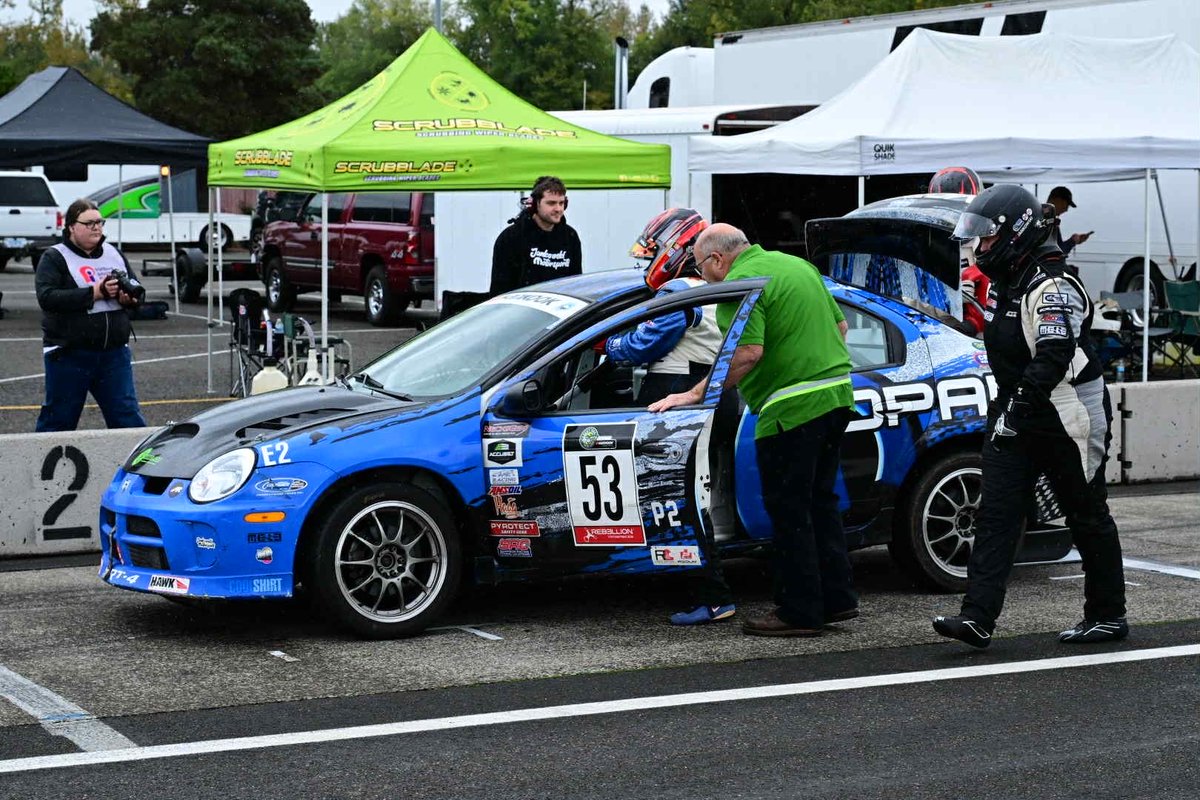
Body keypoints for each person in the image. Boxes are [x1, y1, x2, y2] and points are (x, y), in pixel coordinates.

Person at [934, 184, 1127, 649]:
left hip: (1068, 411)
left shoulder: (1052, 283)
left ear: (1016, 232)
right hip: (1018, 406)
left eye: (986, 238)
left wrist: (1016, 411)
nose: (979, 248)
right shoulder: (1011, 279)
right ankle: (976, 617)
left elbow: (1055, 353)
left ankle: (1108, 614)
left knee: (1085, 512)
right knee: (997, 512)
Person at [650, 224, 858, 638]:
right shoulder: (796, 266)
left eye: (698, 264)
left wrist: (694, 393)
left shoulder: (739, 286)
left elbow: (747, 353)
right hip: (837, 397)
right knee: (821, 503)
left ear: (716, 260)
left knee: (789, 511)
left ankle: (799, 611)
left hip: (790, 408)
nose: (700, 274)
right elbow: (841, 330)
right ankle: (836, 599)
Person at [35, 198, 146, 432]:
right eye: (89, 223)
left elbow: (136, 287)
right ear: (71, 227)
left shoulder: (113, 253)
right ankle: (40, 469)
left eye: (99, 222)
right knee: (59, 421)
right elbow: (47, 297)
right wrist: (93, 293)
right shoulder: (55, 257)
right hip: (69, 353)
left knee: (128, 419)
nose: (96, 227)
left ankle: (136, 469)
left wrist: (130, 300)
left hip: (113, 354)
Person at [604, 208, 721, 405]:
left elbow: (643, 345)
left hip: (675, 390)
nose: (649, 265)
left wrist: (609, 344)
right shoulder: (717, 287)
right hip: (713, 389)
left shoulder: (678, 291)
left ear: (675, 249)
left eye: (653, 255)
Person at [489, 175, 582, 296]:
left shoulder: (571, 237)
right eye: (551, 203)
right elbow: (500, 290)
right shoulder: (511, 237)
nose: (558, 209)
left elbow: (576, 285)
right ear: (534, 204)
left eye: (561, 203)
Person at [1046, 186, 1092, 257]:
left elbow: (1057, 249)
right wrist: (1073, 241)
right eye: (1066, 204)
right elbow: (1057, 252)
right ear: (1057, 199)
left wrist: (1075, 240)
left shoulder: (1047, 219)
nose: (1066, 209)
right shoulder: (1047, 222)